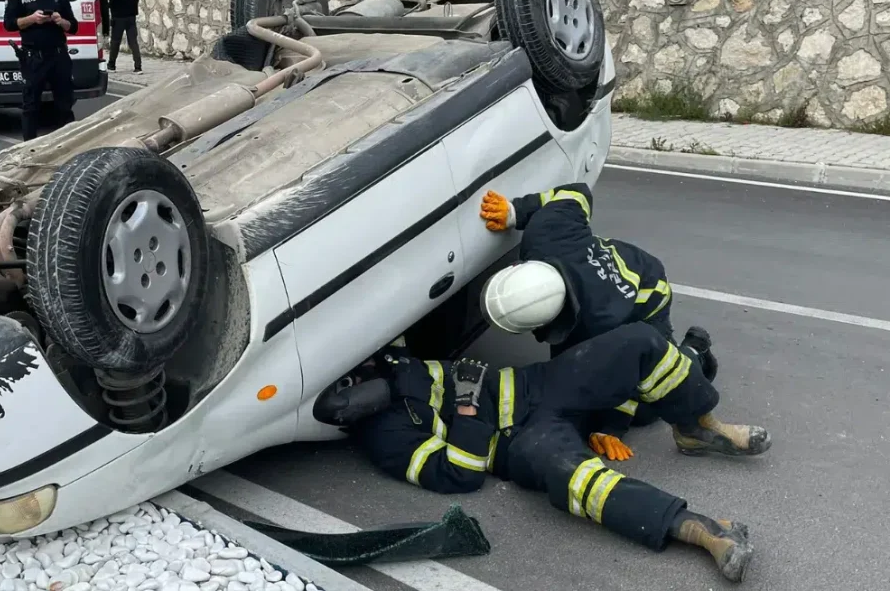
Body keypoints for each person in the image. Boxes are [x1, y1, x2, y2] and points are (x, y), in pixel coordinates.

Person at [321, 322, 770, 583]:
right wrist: (468, 406)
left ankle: (696, 428)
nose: (362, 372)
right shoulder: (384, 437)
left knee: (639, 342)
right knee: (575, 478)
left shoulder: (390, 356)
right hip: (518, 440)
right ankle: (699, 530)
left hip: (536, 384)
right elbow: (458, 474)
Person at [477, 182, 719, 447]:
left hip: (647, 295)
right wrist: (516, 211)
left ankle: (694, 352)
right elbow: (576, 191)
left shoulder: (601, 323)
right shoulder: (544, 234)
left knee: (651, 401)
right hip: (619, 267)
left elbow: (630, 368)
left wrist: (612, 428)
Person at [3, 0, 78, 142]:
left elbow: (73, 26)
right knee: (31, 106)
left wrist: (61, 21)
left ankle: (68, 143)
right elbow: (9, 24)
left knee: (64, 104)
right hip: (34, 57)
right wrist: (32, 19)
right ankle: (29, 147)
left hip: (58, 55)